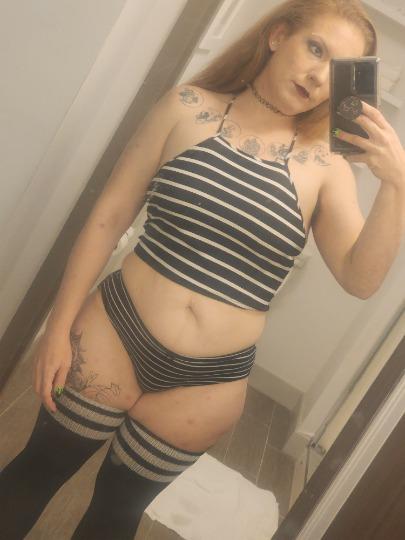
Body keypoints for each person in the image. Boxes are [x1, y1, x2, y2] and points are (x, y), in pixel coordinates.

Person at [1, 1, 404, 538]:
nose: (318, 74)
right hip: (114, 333)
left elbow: (361, 279)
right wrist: (57, 327)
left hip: (209, 383)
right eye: (315, 48)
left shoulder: (328, 167)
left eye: (338, 67)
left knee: (115, 516)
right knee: (35, 473)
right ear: (278, 35)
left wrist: (395, 184)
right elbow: (108, 217)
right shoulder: (186, 107)